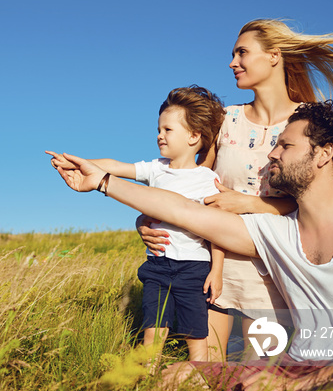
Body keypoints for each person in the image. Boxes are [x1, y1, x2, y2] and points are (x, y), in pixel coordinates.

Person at [50, 101, 333, 391]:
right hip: (292, 366)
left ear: (323, 154)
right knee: (178, 378)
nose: (271, 154)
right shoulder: (275, 232)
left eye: (285, 145)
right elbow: (184, 211)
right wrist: (102, 181)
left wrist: (300, 385)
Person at [137, 19, 333, 361]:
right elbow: (187, 182)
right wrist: (145, 220)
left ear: (273, 56)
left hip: (274, 271)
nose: (232, 62)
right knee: (206, 373)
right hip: (216, 267)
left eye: (242, 52)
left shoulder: (306, 123)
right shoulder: (226, 119)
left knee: (257, 383)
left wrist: (249, 204)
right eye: (232, 54)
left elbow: (318, 202)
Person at [46, 86, 226, 361]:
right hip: (157, 266)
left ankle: (199, 385)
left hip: (194, 268)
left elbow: (218, 230)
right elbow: (116, 167)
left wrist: (217, 271)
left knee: (196, 336)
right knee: (153, 334)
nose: (159, 135)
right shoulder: (156, 168)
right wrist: (78, 162)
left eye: (168, 130)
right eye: (158, 129)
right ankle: (145, 384)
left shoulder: (207, 180)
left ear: (193, 136)